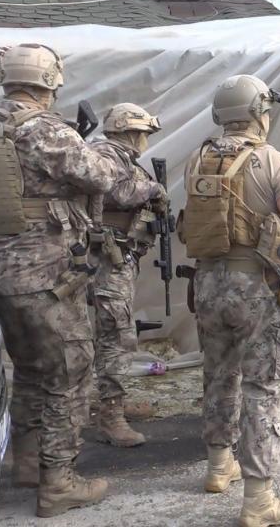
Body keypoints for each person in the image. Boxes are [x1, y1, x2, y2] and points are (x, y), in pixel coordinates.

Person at [0, 43, 118, 517]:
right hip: (47, 276)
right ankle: (59, 483)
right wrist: (91, 147)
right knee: (70, 374)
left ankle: (27, 462)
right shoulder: (45, 130)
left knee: (29, 370)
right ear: (49, 81)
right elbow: (101, 177)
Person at [181, 74, 280, 526]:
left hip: (208, 286)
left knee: (218, 375)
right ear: (258, 113)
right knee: (265, 387)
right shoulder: (274, 163)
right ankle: (259, 501)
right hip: (256, 291)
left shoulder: (197, 160)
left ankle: (218, 467)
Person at [89, 103, 167, 447]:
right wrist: (153, 190)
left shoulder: (122, 158)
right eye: (144, 133)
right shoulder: (106, 154)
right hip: (106, 260)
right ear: (131, 132)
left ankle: (111, 403)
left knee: (111, 333)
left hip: (117, 257)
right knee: (116, 335)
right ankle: (111, 416)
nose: (146, 139)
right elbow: (115, 192)